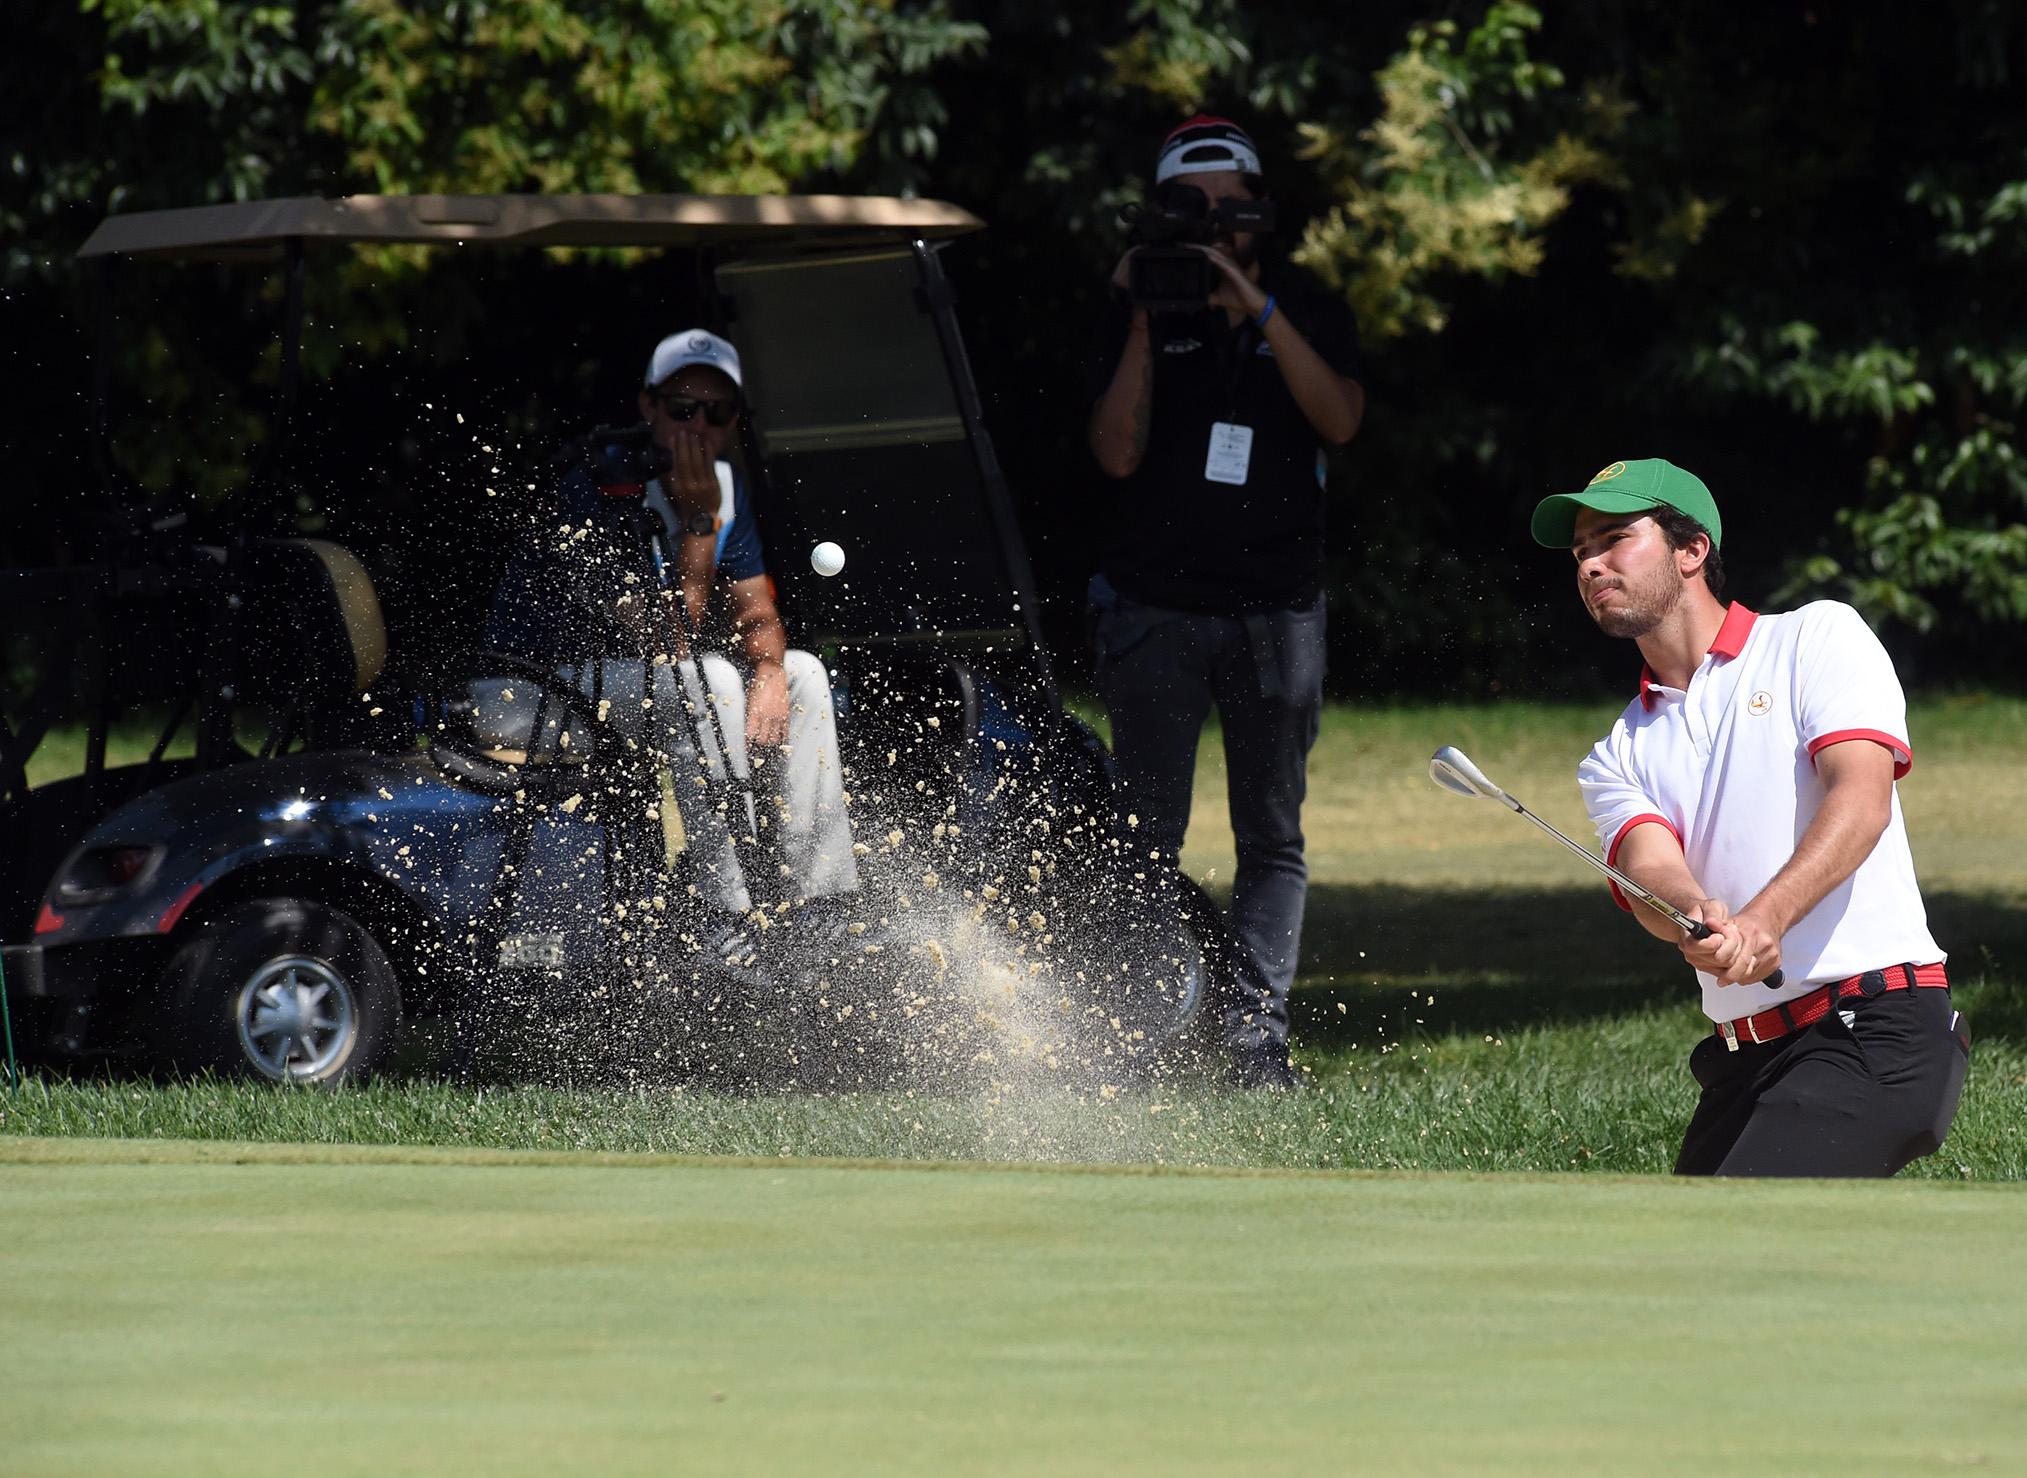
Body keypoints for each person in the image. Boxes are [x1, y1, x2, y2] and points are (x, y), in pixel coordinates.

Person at [1535, 457, 1969, 1176]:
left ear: (1690, 549)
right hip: (1746, 1060)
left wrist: (1764, 920)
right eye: (1580, 551)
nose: (1589, 565)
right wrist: (1691, 914)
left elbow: (1860, 800)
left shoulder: (1815, 639)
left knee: (1716, 1254)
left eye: (1612, 538)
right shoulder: (1616, 753)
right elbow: (1649, 868)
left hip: (1874, 1029)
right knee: (1681, 1265)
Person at [1084, 115, 1365, 1089]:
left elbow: (1338, 417)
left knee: (1269, 834)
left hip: (1274, 611)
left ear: (1259, 207)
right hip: (1153, 608)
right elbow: (1115, 451)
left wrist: (1258, 308)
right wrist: (1140, 318)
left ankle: (1254, 1042)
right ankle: (1139, 1035)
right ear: (1160, 210)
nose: (1211, 224)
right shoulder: (1136, 305)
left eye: (1228, 204)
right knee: (1142, 837)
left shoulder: (1308, 308)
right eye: (1187, 207)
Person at [487, 329, 857, 978]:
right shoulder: (596, 486)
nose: (701, 426)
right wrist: (698, 523)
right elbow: (662, 638)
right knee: (704, 678)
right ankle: (724, 913)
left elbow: (757, 613)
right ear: (648, 407)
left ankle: (818, 909)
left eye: (720, 412)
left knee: (802, 672)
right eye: (684, 408)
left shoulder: (721, 484)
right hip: (529, 694)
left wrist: (768, 669)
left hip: (625, 684)